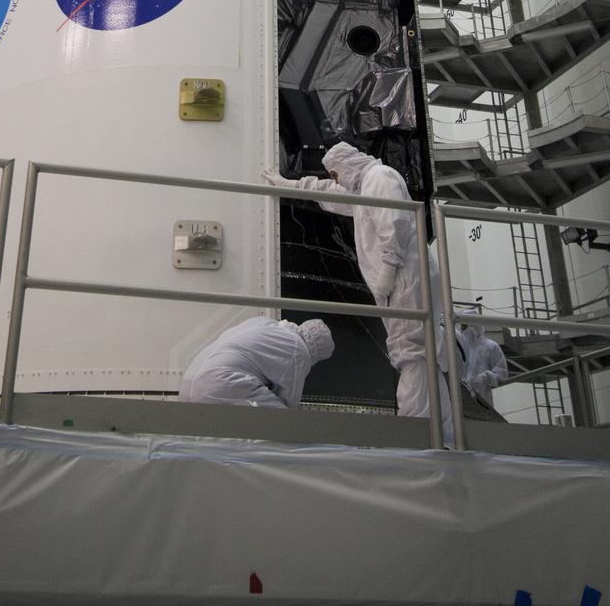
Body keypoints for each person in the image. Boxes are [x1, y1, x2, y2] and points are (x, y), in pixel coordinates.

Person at [265, 143, 453, 441]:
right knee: (422, 352)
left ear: (348, 164)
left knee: (411, 352)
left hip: (405, 276)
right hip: (404, 276)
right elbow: (329, 193)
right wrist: (289, 184)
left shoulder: (379, 177)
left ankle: (418, 429)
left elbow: (395, 223)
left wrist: (387, 272)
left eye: (337, 173)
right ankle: (442, 429)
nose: (337, 179)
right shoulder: (366, 185)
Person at [179, 316, 334, 408]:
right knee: (281, 419)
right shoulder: (299, 350)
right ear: (316, 352)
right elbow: (289, 402)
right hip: (221, 383)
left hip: (189, 383)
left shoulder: (265, 323)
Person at [456, 311, 509, 406]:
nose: (462, 329)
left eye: (465, 325)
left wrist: (486, 377)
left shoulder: (491, 346)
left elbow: (502, 374)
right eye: (462, 326)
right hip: (460, 399)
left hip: (482, 399)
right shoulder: (459, 349)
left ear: (474, 325)